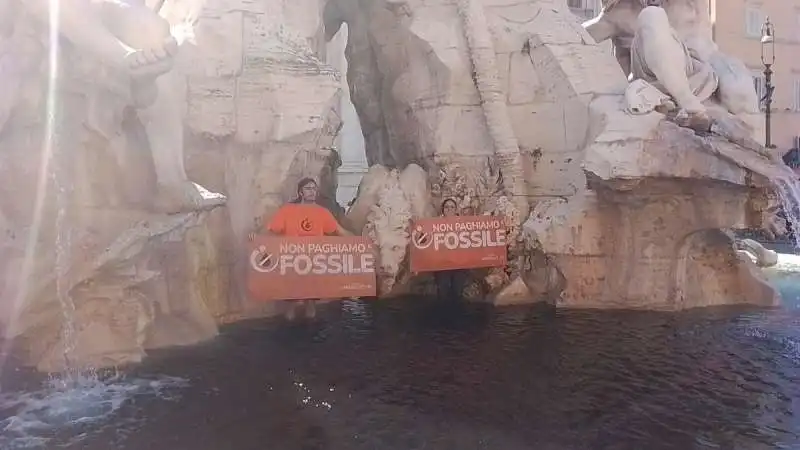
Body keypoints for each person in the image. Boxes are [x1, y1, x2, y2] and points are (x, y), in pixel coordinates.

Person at [250, 177, 352, 320]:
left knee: (311, 302)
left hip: (313, 262)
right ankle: (289, 336)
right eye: (308, 188)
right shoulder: (288, 211)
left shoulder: (322, 212)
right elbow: (271, 229)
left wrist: (360, 241)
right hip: (293, 263)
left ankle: (311, 336)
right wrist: (256, 236)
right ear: (301, 192)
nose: (312, 191)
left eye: (314, 189)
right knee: (291, 302)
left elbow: (339, 231)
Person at [432, 198, 469, 302]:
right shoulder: (434, 224)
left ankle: (456, 315)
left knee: (458, 292)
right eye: (447, 207)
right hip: (442, 264)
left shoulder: (464, 224)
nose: (449, 209)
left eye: (452, 207)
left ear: (456, 209)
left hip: (460, 264)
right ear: (443, 209)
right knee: (443, 293)